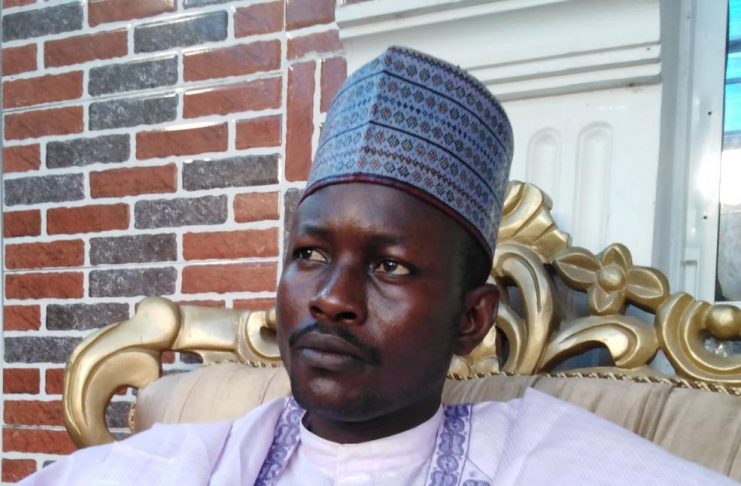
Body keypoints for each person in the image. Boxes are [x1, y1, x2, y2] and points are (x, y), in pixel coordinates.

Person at [21, 47, 735, 485]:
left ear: (471, 318)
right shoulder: (195, 461)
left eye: (389, 267)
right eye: (309, 254)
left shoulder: (544, 455)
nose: (331, 298)